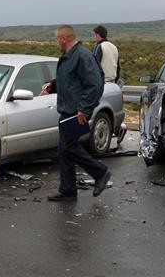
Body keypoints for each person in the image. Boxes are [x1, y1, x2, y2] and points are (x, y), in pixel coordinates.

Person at [42, 25, 112, 201]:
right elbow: (69, 80)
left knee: (68, 147)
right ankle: (68, 191)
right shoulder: (69, 57)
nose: (56, 42)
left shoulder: (82, 56)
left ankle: (101, 172)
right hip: (68, 109)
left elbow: (95, 84)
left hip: (77, 111)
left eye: (57, 39)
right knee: (64, 150)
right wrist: (52, 85)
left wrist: (84, 108)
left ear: (63, 39)